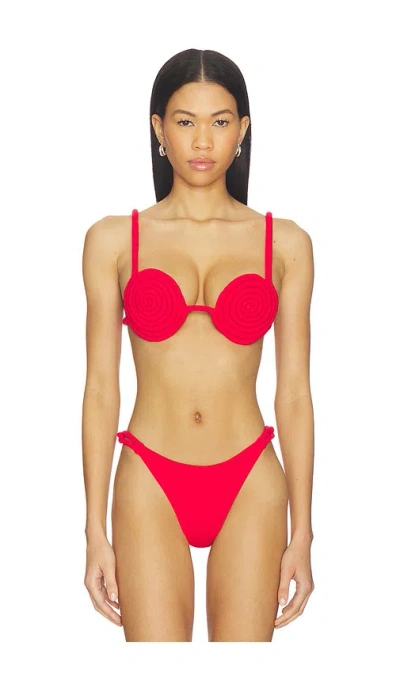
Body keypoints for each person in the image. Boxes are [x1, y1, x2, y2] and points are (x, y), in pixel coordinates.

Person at [81, 48, 315, 642]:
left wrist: (304, 532)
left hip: (250, 477)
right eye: (186, 121)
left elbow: (294, 395)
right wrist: (93, 531)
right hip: (149, 474)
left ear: (243, 129)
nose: (203, 141)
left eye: (220, 121)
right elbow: (101, 389)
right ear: (159, 129)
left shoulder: (285, 243)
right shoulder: (113, 240)